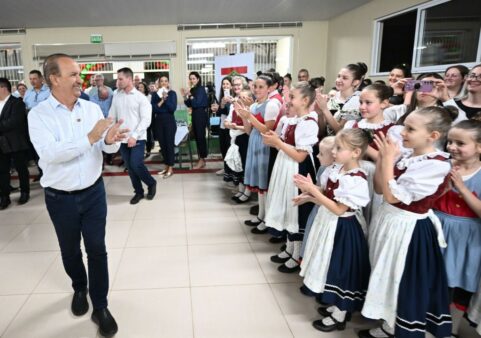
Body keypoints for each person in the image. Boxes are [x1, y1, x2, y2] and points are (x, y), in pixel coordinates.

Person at [28, 53, 127, 338]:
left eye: (79, 74)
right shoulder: (38, 116)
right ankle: (79, 287)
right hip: (61, 198)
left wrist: (108, 141)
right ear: (54, 79)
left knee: (97, 248)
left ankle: (101, 305)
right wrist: (91, 138)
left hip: (94, 192)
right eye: (72, 74)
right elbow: (50, 154)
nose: (79, 79)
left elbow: (104, 149)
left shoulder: (92, 108)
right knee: (70, 249)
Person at [360, 106, 456, 338]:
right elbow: (381, 189)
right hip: (390, 219)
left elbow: (395, 196)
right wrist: (385, 158)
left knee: (400, 277)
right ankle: (388, 323)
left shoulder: (437, 164)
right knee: (385, 269)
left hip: (409, 228)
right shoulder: (406, 156)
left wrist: (388, 160)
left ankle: (400, 326)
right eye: (404, 126)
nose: (402, 133)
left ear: (432, 136)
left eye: (411, 129)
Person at [295, 128, 371, 332]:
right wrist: (310, 193)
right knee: (328, 264)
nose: (334, 152)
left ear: (356, 152)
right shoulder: (338, 170)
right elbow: (329, 194)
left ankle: (340, 314)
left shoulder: (356, 179)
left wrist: (313, 193)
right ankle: (336, 306)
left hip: (343, 227)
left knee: (340, 269)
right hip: (328, 222)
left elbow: (338, 208)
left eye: (339, 148)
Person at [263, 81, 319, 273]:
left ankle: (297, 254)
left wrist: (278, 142)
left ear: (305, 101)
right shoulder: (291, 120)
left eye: (292, 97)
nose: (289, 101)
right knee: (286, 205)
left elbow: (300, 155)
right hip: (285, 165)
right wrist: (275, 140)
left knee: (296, 210)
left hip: (296, 167)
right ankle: (289, 248)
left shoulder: (309, 123)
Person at [433, 120, 481, 338]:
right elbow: (428, 199)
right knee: (433, 277)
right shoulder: (441, 165)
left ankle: (449, 329)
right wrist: (444, 189)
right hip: (437, 227)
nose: (452, 146)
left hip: (467, 237)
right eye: (450, 141)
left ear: (479, 146)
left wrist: (461, 187)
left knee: (460, 284)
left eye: (460, 143)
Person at [236, 75, 280, 234]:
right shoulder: (254, 105)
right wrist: (244, 116)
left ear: (270, 88)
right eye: (255, 86)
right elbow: (249, 130)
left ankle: (267, 219)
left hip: (265, 144)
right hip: (254, 142)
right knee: (259, 184)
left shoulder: (272, 105)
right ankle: (261, 215)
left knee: (264, 184)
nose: (257, 89)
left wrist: (250, 117)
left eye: (261, 87)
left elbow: (267, 130)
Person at [109, 67, 157, 204]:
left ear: (129, 79)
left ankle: (151, 183)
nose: (117, 82)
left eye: (120, 79)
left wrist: (134, 136)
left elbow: (146, 120)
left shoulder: (140, 98)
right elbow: (112, 115)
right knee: (130, 167)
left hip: (138, 137)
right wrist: (110, 131)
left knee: (136, 164)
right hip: (122, 138)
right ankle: (139, 192)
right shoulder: (117, 95)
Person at [0, 78, 30, 209]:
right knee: (2, 171)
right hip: (1, 143)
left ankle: (25, 192)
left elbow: (15, 122)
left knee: (21, 168)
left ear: (3, 88)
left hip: (16, 141)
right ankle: (5, 197)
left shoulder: (17, 103)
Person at [344, 84, 394, 161]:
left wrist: (362, 145)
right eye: (361, 102)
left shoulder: (391, 131)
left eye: (368, 102)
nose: (362, 107)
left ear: (383, 103)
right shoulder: (352, 125)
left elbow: (388, 161)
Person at [224, 77, 253, 202]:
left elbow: (250, 126)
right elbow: (229, 119)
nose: (240, 99)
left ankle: (247, 192)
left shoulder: (251, 108)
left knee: (245, 165)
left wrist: (236, 126)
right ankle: (241, 189)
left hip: (244, 138)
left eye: (243, 97)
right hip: (235, 137)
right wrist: (228, 123)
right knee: (238, 164)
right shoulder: (233, 106)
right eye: (240, 97)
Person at [182, 71, 209, 169]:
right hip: (195, 114)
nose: (192, 80)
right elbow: (189, 104)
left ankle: (202, 160)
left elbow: (197, 103)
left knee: (200, 138)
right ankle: (201, 159)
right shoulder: (193, 89)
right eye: (190, 78)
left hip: (201, 114)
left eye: (194, 78)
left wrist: (190, 94)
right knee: (198, 137)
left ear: (198, 79)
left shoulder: (201, 89)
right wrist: (185, 96)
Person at [151, 75, 177, 178]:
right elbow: (153, 109)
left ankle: (170, 167)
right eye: (162, 81)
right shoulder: (155, 95)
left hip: (169, 121)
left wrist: (165, 100)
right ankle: (166, 166)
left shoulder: (172, 94)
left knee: (169, 145)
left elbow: (172, 108)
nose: (164, 83)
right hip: (159, 121)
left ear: (168, 83)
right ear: (159, 83)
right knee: (162, 145)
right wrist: (162, 99)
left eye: (166, 81)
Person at [211, 76, 233, 181]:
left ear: (231, 86)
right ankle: (225, 168)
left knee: (229, 150)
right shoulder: (222, 96)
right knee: (223, 148)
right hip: (222, 126)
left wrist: (224, 105)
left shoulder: (233, 98)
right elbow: (220, 113)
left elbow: (230, 113)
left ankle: (230, 171)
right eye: (223, 84)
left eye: (227, 84)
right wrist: (218, 107)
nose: (225, 86)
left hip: (230, 128)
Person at [137, 81, 154, 157]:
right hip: (138, 119)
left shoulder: (149, 96)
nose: (140, 88)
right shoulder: (135, 96)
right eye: (139, 87)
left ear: (145, 88)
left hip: (147, 118)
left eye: (141, 87)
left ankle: (148, 150)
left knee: (148, 135)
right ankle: (141, 150)